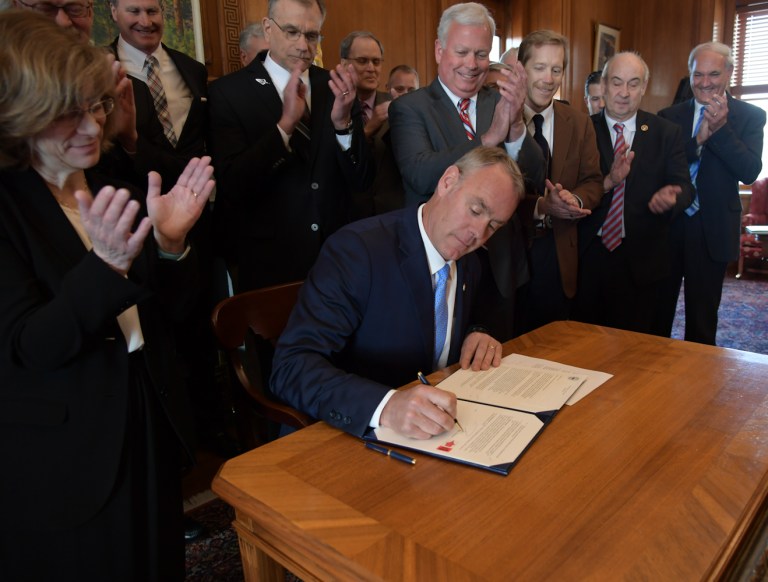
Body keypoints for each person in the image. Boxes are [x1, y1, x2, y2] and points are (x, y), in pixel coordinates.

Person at [0, 11, 215, 580]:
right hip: (66, 457)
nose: (93, 128)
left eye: (95, 106)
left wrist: (170, 244)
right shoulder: (7, 207)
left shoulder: (109, 180)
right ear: (18, 115)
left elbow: (164, 316)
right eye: (66, 114)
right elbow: (30, 346)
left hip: (145, 425)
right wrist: (106, 267)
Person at [271, 147, 523, 439]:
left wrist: (479, 330)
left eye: (493, 225)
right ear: (447, 181)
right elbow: (291, 367)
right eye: (476, 210)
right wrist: (386, 406)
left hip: (433, 433)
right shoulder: (357, 251)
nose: (478, 234)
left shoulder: (470, 260)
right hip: (346, 435)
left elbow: (477, 309)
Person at [388, 2, 545, 342]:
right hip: (439, 267)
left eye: (481, 54)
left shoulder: (502, 101)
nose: (472, 65)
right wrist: (490, 138)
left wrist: (516, 125)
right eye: (462, 52)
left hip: (500, 265)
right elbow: (420, 173)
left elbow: (533, 175)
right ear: (439, 49)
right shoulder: (410, 108)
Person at [208, 0, 373, 292]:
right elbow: (234, 183)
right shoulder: (228, 92)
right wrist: (284, 127)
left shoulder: (336, 86)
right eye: (292, 32)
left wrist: (343, 124)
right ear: (268, 29)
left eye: (311, 35)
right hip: (269, 263)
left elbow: (361, 178)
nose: (303, 45)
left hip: (335, 258)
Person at [653, 42, 765, 345]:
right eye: (697, 75)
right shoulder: (668, 115)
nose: (704, 83)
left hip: (712, 228)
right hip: (670, 227)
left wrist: (720, 130)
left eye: (713, 74)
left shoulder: (751, 117)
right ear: (689, 74)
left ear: (728, 72)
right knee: (656, 315)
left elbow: (749, 170)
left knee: (702, 322)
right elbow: (659, 169)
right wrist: (698, 139)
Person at [573, 52, 693, 333]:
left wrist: (673, 197)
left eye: (633, 84)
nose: (624, 93)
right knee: (584, 344)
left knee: (638, 349)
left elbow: (686, 187)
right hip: (589, 255)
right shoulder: (581, 130)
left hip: (643, 260)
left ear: (644, 87)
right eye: (616, 83)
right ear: (603, 85)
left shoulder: (666, 132)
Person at [509, 30, 602, 334]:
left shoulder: (578, 122)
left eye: (556, 69)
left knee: (555, 348)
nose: (548, 78)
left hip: (559, 252)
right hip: (507, 254)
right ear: (521, 69)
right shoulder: (495, 117)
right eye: (539, 68)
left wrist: (573, 201)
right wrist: (540, 207)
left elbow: (592, 181)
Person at [108, 0, 208, 188]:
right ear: (114, 12)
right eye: (134, 11)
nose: (145, 22)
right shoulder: (100, 70)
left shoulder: (194, 70)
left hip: (193, 197)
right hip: (131, 199)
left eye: (152, 11)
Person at [341, 30, 405, 216]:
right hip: (348, 213)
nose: (371, 68)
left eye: (376, 62)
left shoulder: (397, 106)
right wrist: (369, 129)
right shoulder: (332, 107)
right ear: (345, 64)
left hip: (393, 212)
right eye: (363, 61)